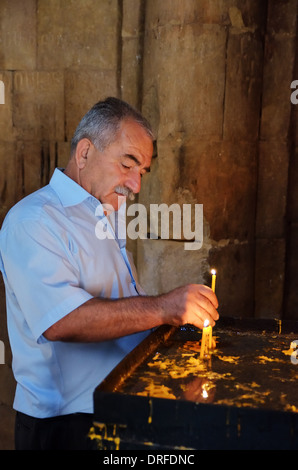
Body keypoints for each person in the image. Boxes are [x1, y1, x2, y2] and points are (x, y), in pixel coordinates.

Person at [0, 97, 219, 450]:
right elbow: (63, 322)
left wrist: (173, 328)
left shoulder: (106, 210)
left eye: (143, 172)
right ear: (84, 153)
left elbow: (121, 300)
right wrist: (165, 307)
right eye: (127, 165)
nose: (136, 185)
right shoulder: (33, 220)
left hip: (118, 404)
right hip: (67, 425)